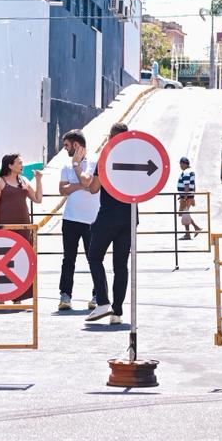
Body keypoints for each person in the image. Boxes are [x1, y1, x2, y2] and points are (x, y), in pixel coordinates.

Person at [84, 122, 133, 325]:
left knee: (94, 257)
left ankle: (103, 302)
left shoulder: (107, 156)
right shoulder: (136, 156)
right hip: (130, 216)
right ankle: (117, 313)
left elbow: (94, 188)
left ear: (111, 137)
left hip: (108, 216)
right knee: (121, 266)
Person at [0, 154, 44, 302]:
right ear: (10, 165)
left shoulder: (24, 180)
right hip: (5, 226)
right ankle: (1, 296)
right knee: (3, 262)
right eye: (19, 163)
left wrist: (38, 180)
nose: (22, 165)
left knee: (21, 260)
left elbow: (38, 199)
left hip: (24, 225)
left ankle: (19, 295)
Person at [58, 130, 99, 311]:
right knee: (68, 259)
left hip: (92, 220)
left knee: (94, 259)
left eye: (67, 145)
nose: (65, 148)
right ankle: (65, 295)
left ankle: (98, 294)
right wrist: (79, 185)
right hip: (70, 219)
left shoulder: (94, 162)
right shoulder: (65, 166)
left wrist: (77, 166)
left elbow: (88, 182)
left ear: (76, 145)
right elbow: (62, 190)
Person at [177, 157, 200, 239]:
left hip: (186, 197)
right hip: (188, 196)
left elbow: (186, 185)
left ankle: (189, 233)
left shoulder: (186, 172)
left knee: (184, 214)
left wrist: (185, 197)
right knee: (185, 213)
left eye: (180, 164)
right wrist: (192, 196)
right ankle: (194, 229)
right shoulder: (191, 171)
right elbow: (193, 185)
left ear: (184, 164)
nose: (180, 166)